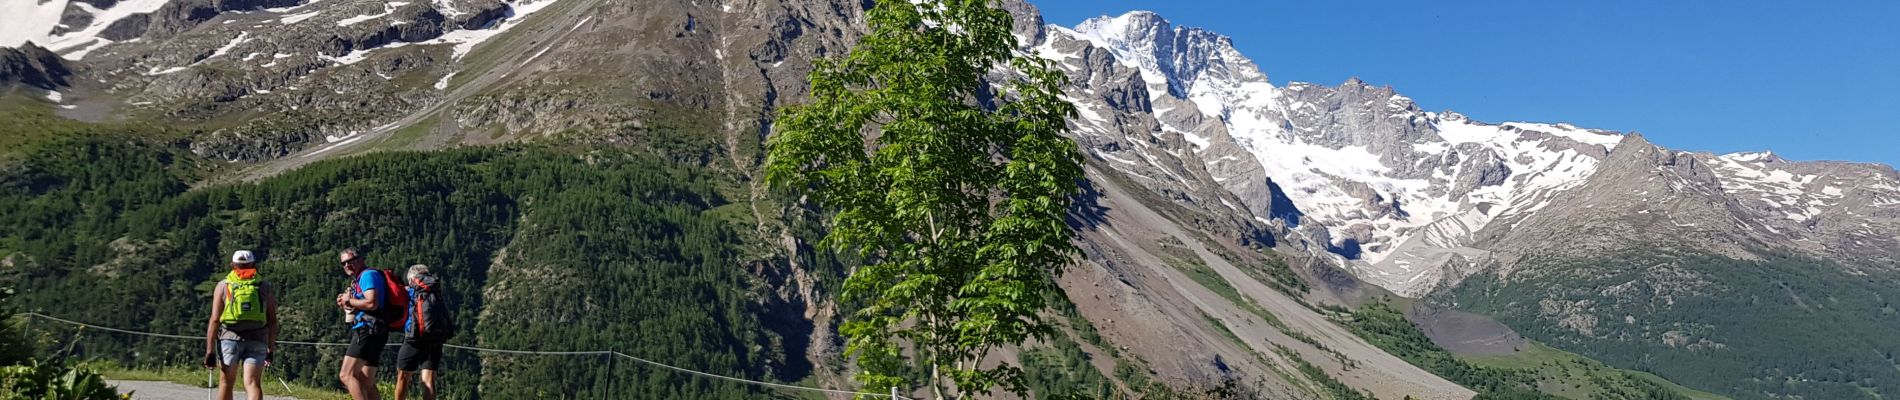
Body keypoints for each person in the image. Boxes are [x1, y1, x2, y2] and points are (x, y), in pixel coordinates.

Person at [203, 250, 279, 400]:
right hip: (258, 338)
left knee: (226, 383)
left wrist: (210, 351)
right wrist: (270, 347)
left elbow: (215, 319)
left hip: (229, 338)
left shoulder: (224, 285)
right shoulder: (263, 286)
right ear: (253, 265)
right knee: (252, 383)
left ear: (232, 265)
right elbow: (272, 320)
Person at [335, 248, 396, 400]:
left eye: (351, 260)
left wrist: (348, 300)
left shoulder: (368, 275)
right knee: (365, 381)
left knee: (346, 374)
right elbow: (365, 304)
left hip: (367, 330)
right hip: (378, 330)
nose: (347, 265)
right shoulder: (362, 278)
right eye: (344, 263)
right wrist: (347, 303)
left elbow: (371, 303)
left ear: (361, 259)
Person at [395, 265, 453, 400]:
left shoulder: (411, 290)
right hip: (435, 338)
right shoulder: (435, 288)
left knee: (403, 376)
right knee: (428, 379)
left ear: (411, 279)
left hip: (414, 339)